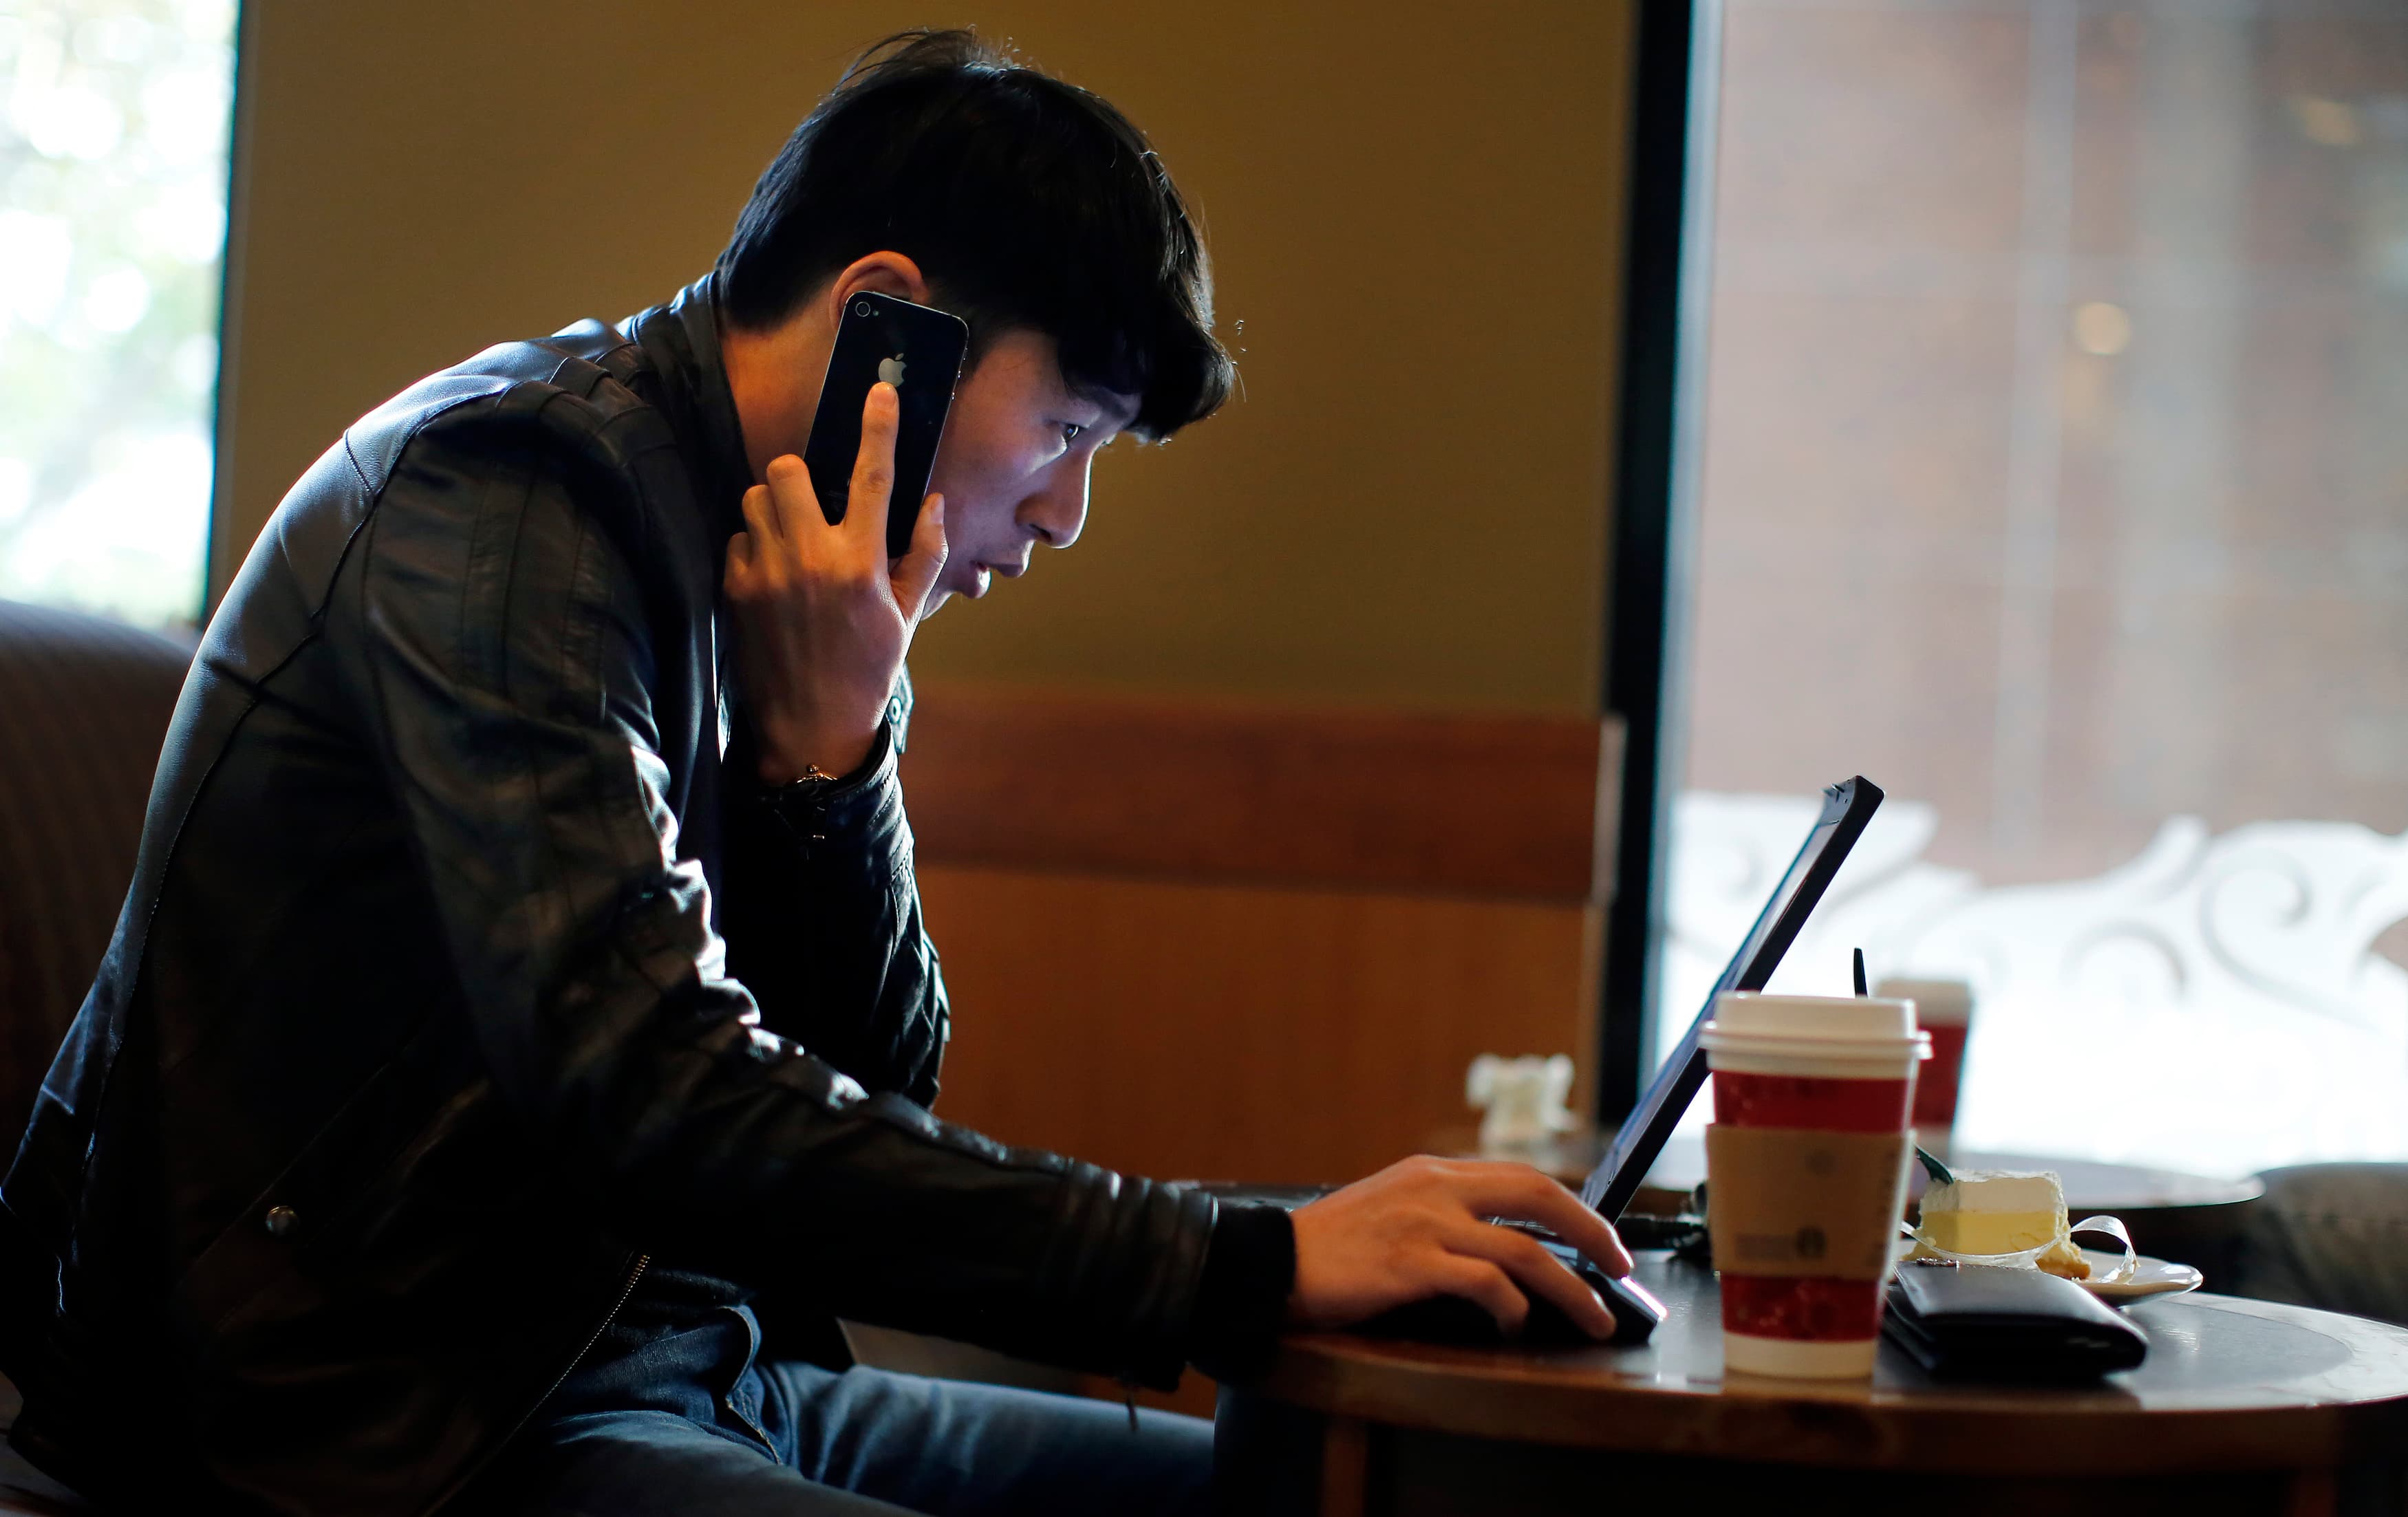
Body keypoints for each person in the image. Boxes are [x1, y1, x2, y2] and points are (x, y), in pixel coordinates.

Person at [0, 30, 1630, 1516]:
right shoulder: (504, 511)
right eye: (1065, 430)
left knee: (1286, 1496)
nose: (1064, 515)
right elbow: (646, 1086)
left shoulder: (772, 579)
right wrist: (1242, 1267)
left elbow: (873, 1086)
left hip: (678, 1370)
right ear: (885, 329)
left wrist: (835, 754)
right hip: (384, 1421)